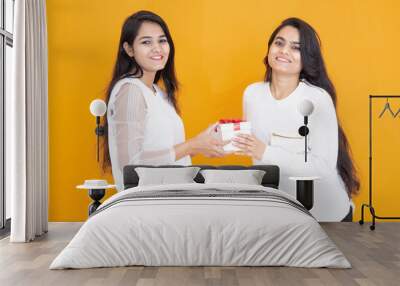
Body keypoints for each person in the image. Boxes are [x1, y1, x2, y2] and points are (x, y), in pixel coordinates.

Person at [233, 18, 360, 221]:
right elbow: (257, 157)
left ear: (307, 58)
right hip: (285, 215)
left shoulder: (317, 99)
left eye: (296, 47)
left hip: (328, 217)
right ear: (269, 49)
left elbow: (322, 167)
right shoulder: (252, 94)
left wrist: (265, 151)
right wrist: (229, 142)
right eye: (279, 43)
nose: (284, 51)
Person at [103, 11, 225, 191]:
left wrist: (202, 143)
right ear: (129, 49)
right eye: (146, 42)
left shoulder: (159, 93)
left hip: (172, 195)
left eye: (162, 40)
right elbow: (129, 165)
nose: (157, 48)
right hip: (148, 200)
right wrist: (192, 146)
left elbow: (169, 150)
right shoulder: (130, 91)